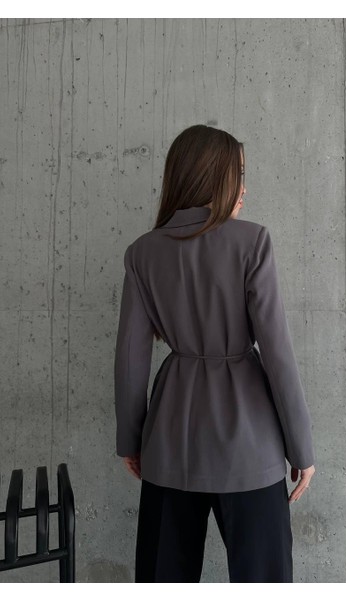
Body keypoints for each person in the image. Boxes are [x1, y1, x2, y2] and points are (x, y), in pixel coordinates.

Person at [114, 124, 316, 583]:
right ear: (211, 177)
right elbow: (278, 353)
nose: (244, 188)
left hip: (169, 441)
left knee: (163, 579)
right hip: (250, 445)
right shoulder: (252, 242)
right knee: (264, 581)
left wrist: (131, 438)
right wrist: (301, 448)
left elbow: (130, 359)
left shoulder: (142, 253)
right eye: (238, 174)